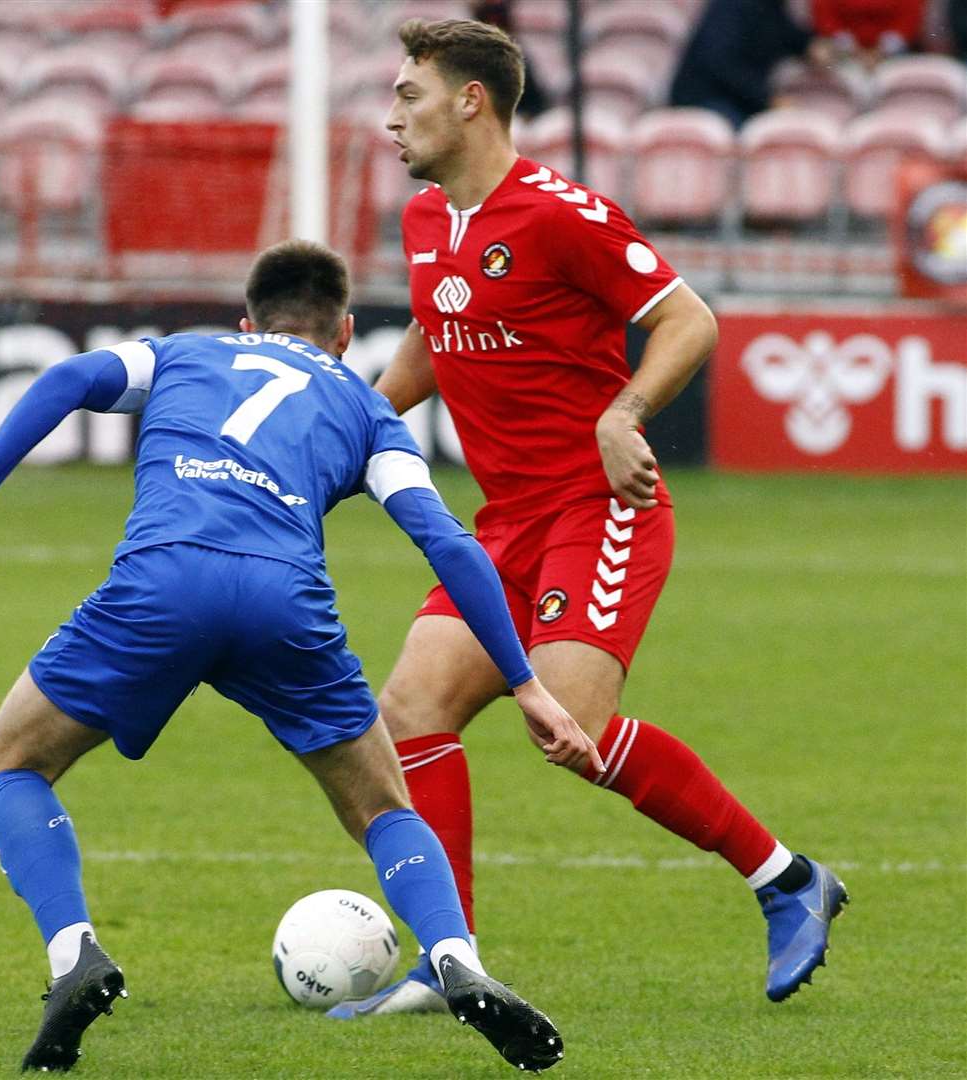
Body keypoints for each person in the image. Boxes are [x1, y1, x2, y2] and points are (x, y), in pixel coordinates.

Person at [0, 240, 602, 1074]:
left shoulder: (186, 352)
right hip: (285, 605)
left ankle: (73, 955)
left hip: (162, 583)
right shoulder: (366, 405)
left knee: (13, 762)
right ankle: (457, 960)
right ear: (345, 333)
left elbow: (63, 382)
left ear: (249, 320)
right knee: (383, 807)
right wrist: (525, 684)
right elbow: (448, 543)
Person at [327, 18, 848, 1021]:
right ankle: (451, 962)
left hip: (598, 509)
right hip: (503, 527)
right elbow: (433, 345)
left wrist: (623, 412)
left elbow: (689, 318)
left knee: (574, 729)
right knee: (409, 713)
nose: (391, 115)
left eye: (409, 95)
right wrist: (341, 426)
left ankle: (784, 878)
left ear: (470, 100)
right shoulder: (427, 221)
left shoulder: (561, 212)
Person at [669, 0, 814, 128]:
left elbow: (779, 29)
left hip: (739, 98)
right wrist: (768, 99)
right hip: (707, 99)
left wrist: (808, 45)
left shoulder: (769, 5)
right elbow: (722, 63)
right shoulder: (733, 5)